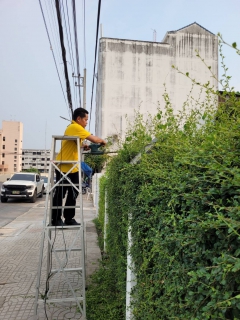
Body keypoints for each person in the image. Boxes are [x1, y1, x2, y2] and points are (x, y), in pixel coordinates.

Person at [52, 107, 106, 226]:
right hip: (64, 167)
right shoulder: (74, 127)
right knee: (60, 194)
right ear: (78, 119)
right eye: (86, 120)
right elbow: (93, 138)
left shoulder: (75, 129)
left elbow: (76, 143)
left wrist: (83, 146)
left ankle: (69, 218)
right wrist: (102, 141)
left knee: (74, 193)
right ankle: (55, 219)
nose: (86, 122)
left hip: (73, 167)